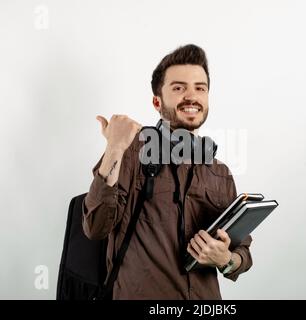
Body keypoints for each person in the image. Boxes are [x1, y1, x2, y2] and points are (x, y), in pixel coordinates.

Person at [82, 44, 252, 299]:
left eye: (200, 88)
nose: (191, 96)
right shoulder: (129, 152)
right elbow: (94, 226)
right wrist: (115, 148)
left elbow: (242, 253)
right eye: (178, 88)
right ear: (157, 101)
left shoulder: (220, 173)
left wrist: (226, 259)